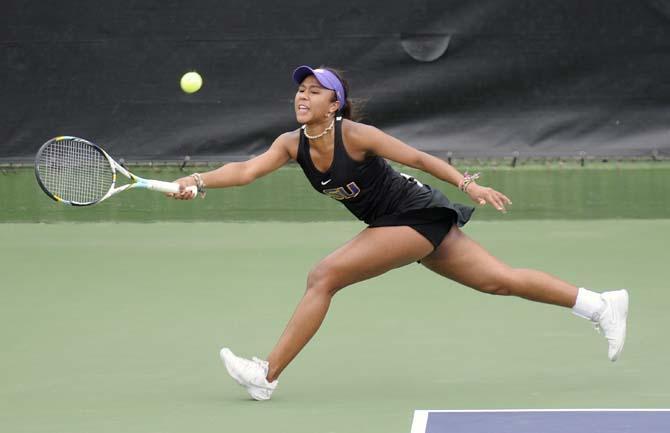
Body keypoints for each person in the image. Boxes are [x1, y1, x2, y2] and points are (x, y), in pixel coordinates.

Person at [169, 65, 629, 401]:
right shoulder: (292, 144)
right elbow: (247, 170)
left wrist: (469, 184)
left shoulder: (358, 135)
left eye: (316, 91)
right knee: (499, 280)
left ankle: (266, 374)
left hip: (414, 213)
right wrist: (197, 181)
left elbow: (419, 159)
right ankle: (599, 305)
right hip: (396, 223)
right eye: (300, 90)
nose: (303, 97)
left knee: (324, 276)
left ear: (335, 104)